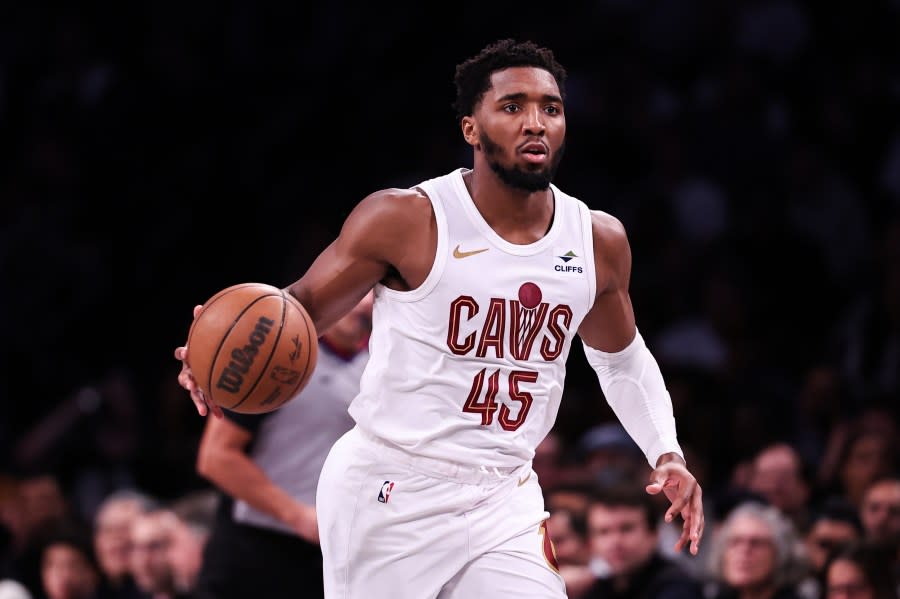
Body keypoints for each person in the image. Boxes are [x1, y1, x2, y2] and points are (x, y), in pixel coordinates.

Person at [175, 38, 704, 598]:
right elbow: (297, 309)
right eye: (512, 106)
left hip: (505, 495)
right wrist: (214, 353)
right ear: (470, 128)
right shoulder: (406, 219)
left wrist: (666, 451)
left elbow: (620, 361)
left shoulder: (597, 239)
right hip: (391, 489)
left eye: (550, 108)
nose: (535, 123)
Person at [191, 293, 373, 599]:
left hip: (327, 553)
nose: (365, 304)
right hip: (252, 548)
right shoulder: (275, 353)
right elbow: (216, 456)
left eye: (373, 295)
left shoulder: (382, 364)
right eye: (355, 292)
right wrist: (298, 516)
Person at [582, 480, 703, 599]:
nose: (615, 541)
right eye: (604, 532)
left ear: (654, 534)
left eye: (626, 529)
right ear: (591, 542)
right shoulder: (599, 588)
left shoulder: (677, 585)